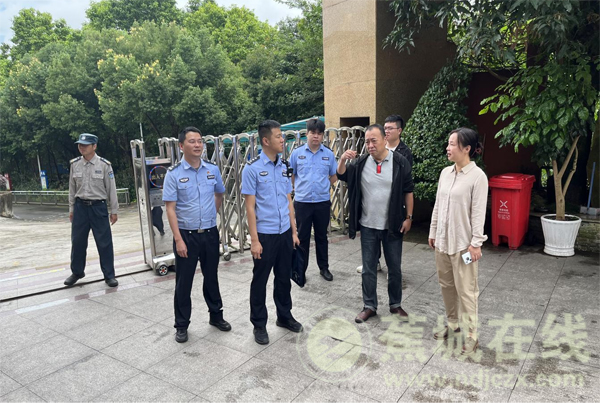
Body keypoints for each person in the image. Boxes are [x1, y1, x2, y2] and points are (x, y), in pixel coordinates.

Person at [337, 124, 414, 323]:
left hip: (393, 225)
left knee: (394, 268)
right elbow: (342, 175)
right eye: (367, 141)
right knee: (368, 268)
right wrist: (342, 159)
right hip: (368, 225)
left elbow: (408, 191)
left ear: (384, 140)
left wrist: (409, 217)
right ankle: (369, 306)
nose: (370, 145)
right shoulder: (361, 162)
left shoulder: (400, 162)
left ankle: (395, 304)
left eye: (374, 141)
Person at [162, 126, 231, 343]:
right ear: (181, 146)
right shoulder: (174, 174)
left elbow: (219, 194)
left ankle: (216, 316)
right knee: (184, 282)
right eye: (192, 141)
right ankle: (182, 325)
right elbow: (170, 209)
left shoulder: (212, 170)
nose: (197, 145)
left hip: (209, 233)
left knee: (212, 277)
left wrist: (212, 215)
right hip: (186, 235)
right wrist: (178, 239)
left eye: (200, 141)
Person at [242, 119, 303, 345]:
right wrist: (254, 240)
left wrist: (293, 231)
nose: (282, 140)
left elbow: (288, 200)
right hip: (265, 234)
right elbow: (250, 207)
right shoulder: (252, 169)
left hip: (284, 232)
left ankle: (284, 316)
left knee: (283, 278)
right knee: (260, 281)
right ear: (266, 140)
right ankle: (259, 324)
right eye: (278, 136)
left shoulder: (284, 166)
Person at [428, 127, 488, 356]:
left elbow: (478, 213)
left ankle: (472, 334)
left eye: (452, 144)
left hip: (464, 245)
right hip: (442, 242)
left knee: (467, 290)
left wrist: (476, 243)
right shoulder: (445, 173)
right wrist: (433, 231)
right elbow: (438, 205)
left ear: (467, 149)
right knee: (446, 286)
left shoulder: (477, 177)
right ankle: (453, 324)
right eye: (449, 143)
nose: (448, 148)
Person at [356, 114, 413, 274]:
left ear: (399, 131)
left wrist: (408, 216)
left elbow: (407, 188)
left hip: (393, 214)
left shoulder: (403, 155)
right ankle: (374, 263)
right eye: (385, 128)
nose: (387, 131)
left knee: (393, 258)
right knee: (372, 246)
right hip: (370, 217)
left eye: (390, 128)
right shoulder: (369, 157)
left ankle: (392, 272)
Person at [65, 133, 119, 288]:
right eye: (80, 145)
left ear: (94, 146)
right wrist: (71, 209)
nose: (81, 147)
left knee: (104, 243)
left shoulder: (104, 165)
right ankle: (77, 272)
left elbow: (111, 189)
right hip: (80, 208)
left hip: (98, 208)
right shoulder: (75, 164)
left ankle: (109, 275)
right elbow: (72, 189)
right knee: (77, 242)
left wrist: (114, 210)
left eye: (85, 145)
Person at [289, 118, 337, 281]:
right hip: (303, 202)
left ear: (322, 135)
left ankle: (324, 268)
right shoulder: (297, 154)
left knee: (321, 236)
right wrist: (298, 188)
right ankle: (300, 270)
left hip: (322, 202)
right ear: (307, 134)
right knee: (302, 238)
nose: (316, 136)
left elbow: (334, 175)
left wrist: (325, 185)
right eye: (312, 133)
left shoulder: (328, 154)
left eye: (319, 133)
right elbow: (292, 175)